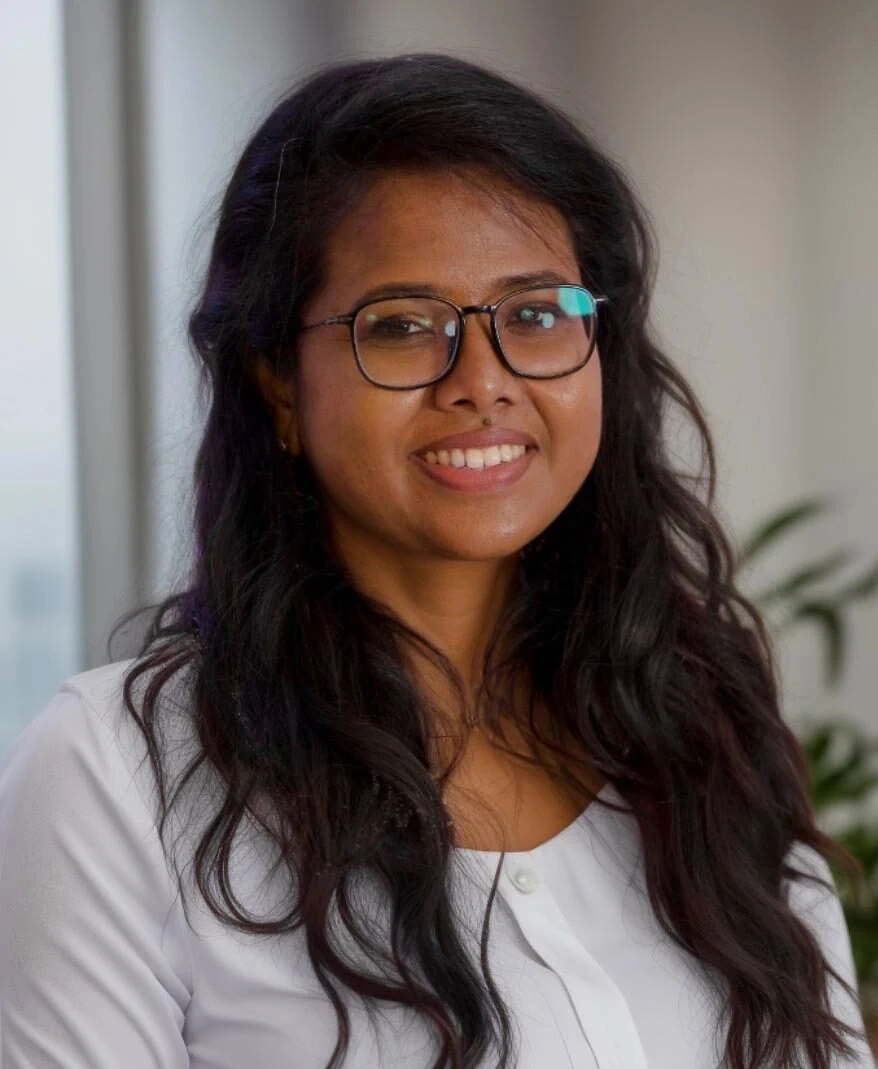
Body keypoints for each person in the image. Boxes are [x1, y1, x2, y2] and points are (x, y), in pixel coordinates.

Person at [0, 52, 873, 1069]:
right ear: (278, 380)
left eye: (535, 314)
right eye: (403, 326)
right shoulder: (121, 776)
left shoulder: (700, 720)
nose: (481, 381)